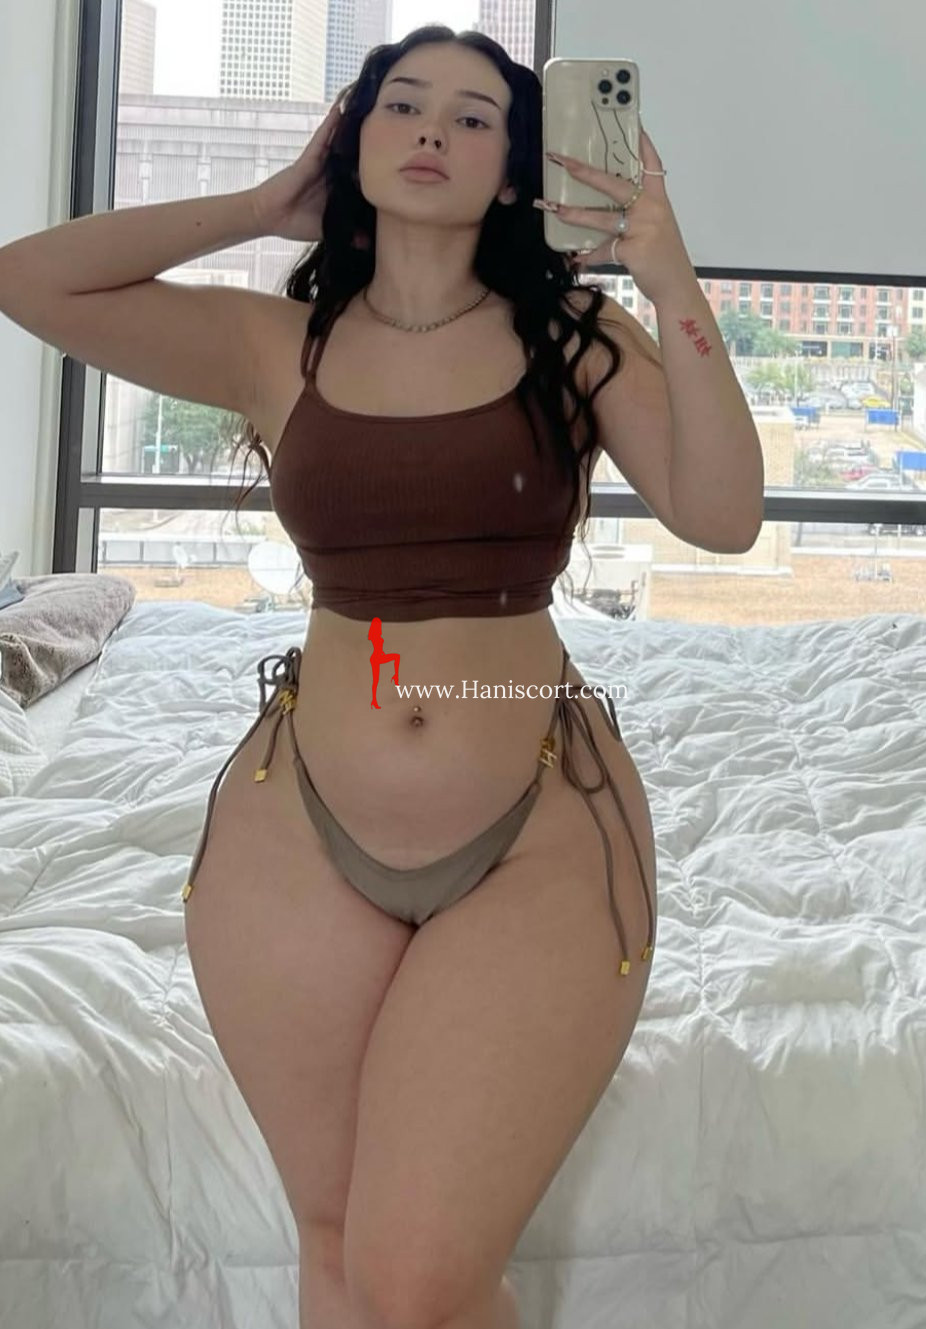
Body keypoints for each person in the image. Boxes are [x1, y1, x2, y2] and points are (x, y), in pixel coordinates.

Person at [0, 26, 668, 1329]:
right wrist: (263, 204)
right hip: (300, 825)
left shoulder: (574, 334)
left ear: (515, 170)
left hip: (534, 812)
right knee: (336, 1243)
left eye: (473, 116)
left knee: (417, 1281)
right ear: (351, 142)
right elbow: (29, 279)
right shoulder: (275, 344)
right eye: (400, 104)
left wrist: (668, 267)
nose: (431, 130)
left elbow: (725, 508)